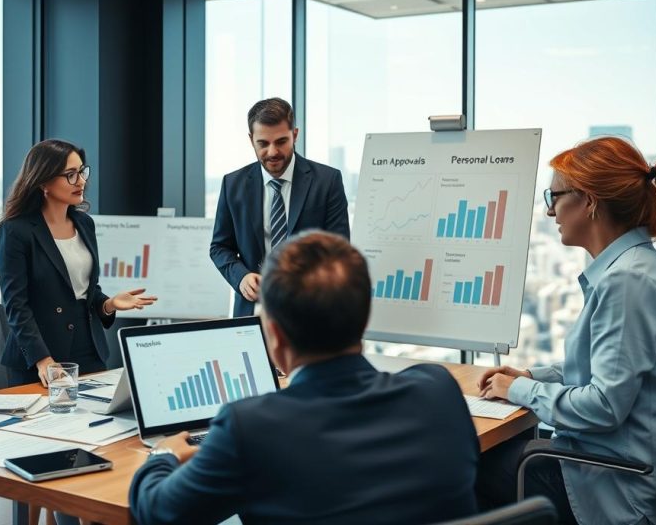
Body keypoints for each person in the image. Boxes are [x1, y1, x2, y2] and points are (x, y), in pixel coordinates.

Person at [130, 231, 479, 525]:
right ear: (364, 317)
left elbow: (158, 512)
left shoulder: (249, 427)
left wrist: (163, 454)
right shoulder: (439, 390)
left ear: (275, 336)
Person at [476, 137, 656, 525]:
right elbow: (602, 368)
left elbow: (603, 406)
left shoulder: (629, 282)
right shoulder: (636, 268)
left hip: (617, 488)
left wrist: (518, 391)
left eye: (555, 196)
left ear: (589, 201)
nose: (550, 211)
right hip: (618, 465)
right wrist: (530, 377)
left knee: (467, 465)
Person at [0, 139, 156, 387]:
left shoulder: (84, 224)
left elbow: (84, 289)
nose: (81, 181)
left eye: (81, 171)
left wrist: (109, 304)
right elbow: (16, 305)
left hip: (89, 347)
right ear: (43, 182)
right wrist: (43, 360)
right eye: (70, 175)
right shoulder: (16, 231)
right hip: (41, 355)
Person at [211, 98, 350, 317]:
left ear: (295, 135)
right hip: (252, 313)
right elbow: (219, 247)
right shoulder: (233, 184)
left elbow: (339, 251)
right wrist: (242, 278)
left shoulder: (327, 181)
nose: (272, 152)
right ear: (251, 140)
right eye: (263, 143)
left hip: (312, 312)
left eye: (281, 141)